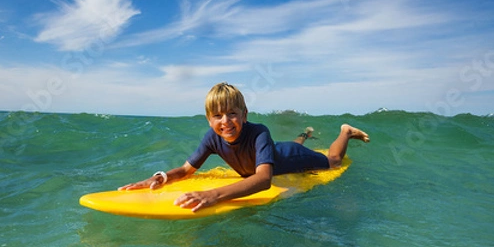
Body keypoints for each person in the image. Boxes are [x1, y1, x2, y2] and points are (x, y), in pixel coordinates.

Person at [118, 82, 369, 212]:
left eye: (231, 114)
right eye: (217, 116)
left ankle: (345, 131)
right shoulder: (211, 138)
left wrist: (212, 195)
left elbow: (263, 180)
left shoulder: (259, 132)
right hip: (276, 151)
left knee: (333, 160)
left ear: (244, 114)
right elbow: (186, 170)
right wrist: (161, 177)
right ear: (209, 119)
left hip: (291, 157)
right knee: (284, 147)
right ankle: (304, 134)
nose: (225, 121)